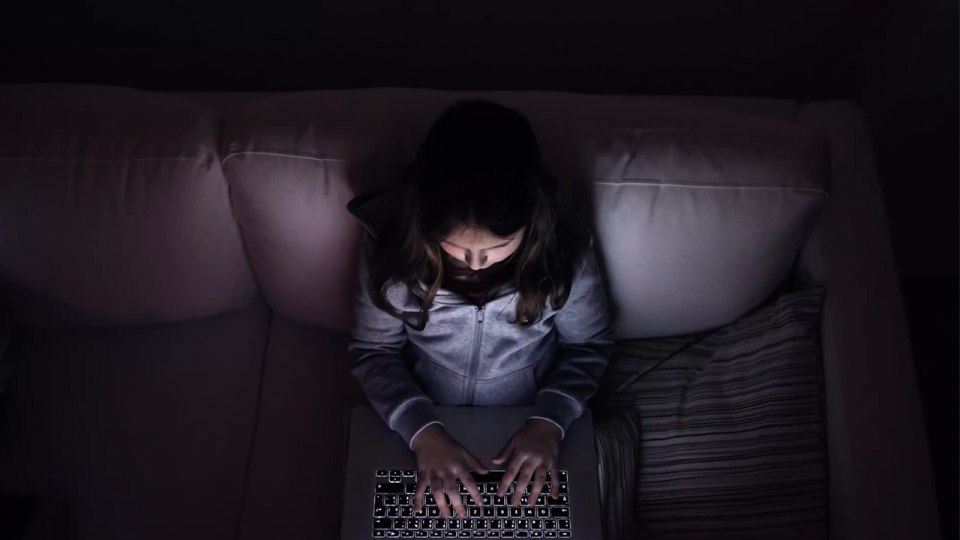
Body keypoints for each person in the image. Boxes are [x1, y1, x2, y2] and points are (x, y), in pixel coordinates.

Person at [348, 100, 612, 520]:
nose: (475, 264)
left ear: (532, 222)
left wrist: (550, 421)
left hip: (533, 424)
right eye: (456, 247)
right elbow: (373, 352)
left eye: (495, 248)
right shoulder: (392, 253)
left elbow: (589, 347)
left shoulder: (565, 253)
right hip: (421, 426)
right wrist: (423, 432)